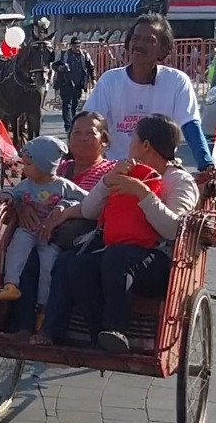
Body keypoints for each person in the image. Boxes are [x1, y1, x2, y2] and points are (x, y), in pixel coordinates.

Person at [34, 114, 199, 351]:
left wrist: (143, 194)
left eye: (133, 139)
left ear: (145, 146)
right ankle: (97, 334)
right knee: (76, 266)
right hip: (117, 250)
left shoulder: (179, 181)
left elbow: (174, 229)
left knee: (116, 257)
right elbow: (91, 210)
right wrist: (107, 181)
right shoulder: (126, 169)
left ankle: (116, 328)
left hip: (159, 261)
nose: (129, 145)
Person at [1, 111, 117, 337]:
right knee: (25, 255)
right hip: (41, 234)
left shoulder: (109, 172)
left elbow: (104, 208)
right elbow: (27, 189)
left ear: (104, 140)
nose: (82, 138)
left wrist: (66, 211)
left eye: (89, 134)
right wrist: (21, 206)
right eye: (76, 133)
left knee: (62, 263)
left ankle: (49, 331)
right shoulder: (57, 167)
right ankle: (22, 326)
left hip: (82, 239)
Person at [83, 13, 214, 173]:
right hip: (117, 171)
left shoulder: (177, 82)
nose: (139, 44)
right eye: (136, 38)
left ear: (163, 49)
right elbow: (91, 123)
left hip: (161, 173)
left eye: (149, 40)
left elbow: (190, 125)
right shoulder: (109, 81)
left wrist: (206, 164)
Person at [0, 137, 87, 331]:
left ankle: (43, 306)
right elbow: (13, 192)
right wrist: (6, 197)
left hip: (49, 235)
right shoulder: (26, 184)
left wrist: (65, 205)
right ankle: (11, 283)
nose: (24, 169)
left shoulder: (63, 185)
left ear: (45, 166)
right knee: (16, 249)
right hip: (27, 231)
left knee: (48, 266)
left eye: (29, 164)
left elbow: (85, 199)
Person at [55, 37, 96, 132]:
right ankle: (68, 126)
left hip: (78, 84)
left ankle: (72, 122)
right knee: (67, 104)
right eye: (75, 46)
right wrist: (60, 68)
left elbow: (91, 67)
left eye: (79, 46)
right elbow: (54, 65)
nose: (77, 48)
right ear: (71, 46)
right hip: (66, 83)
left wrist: (93, 79)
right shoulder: (63, 54)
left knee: (74, 105)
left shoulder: (85, 55)